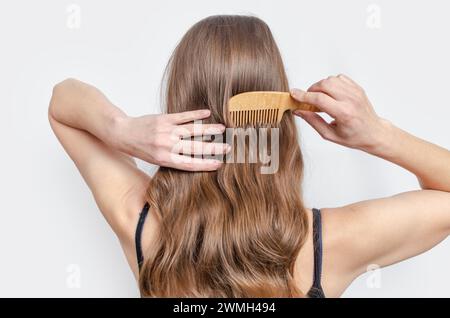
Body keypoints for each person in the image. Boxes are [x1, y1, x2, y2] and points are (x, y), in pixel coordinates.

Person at [48, 15, 450, 297]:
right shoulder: (330, 245)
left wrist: (121, 130)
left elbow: (62, 103)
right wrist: (378, 135)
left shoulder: (143, 228)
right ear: (280, 122)